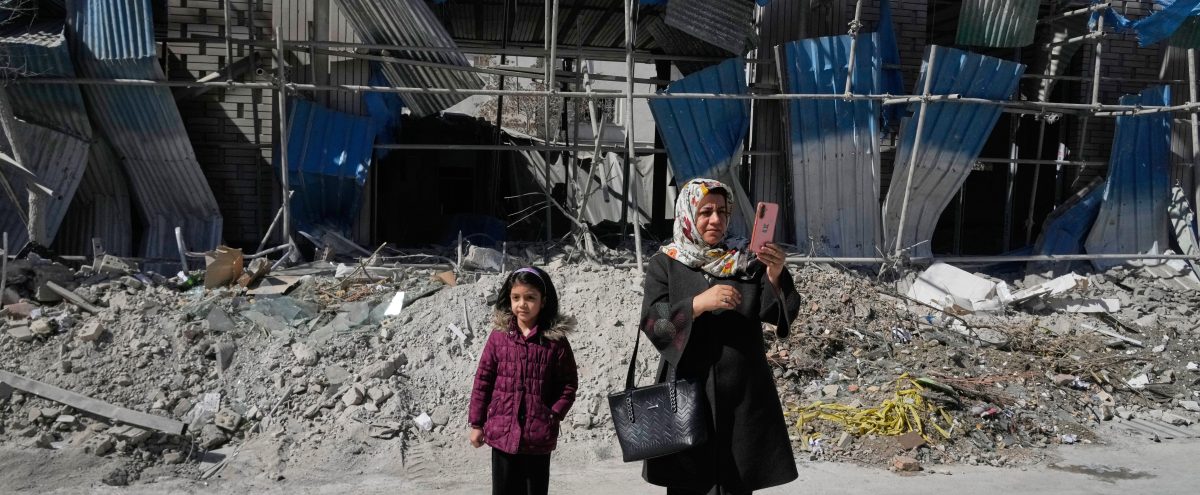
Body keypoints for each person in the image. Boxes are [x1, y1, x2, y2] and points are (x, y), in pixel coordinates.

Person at [639, 178, 801, 495]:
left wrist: (775, 274)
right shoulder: (665, 263)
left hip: (742, 398)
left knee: (736, 483)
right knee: (689, 484)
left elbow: (775, 313)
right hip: (687, 394)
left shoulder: (746, 261)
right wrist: (697, 304)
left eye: (722, 212)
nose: (716, 219)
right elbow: (655, 325)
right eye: (705, 212)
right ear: (688, 214)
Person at [468, 266, 579, 495]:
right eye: (516, 298)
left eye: (530, 298)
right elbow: (483, 381)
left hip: (538, 438)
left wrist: (553, 414)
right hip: (502, 433)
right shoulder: (499, 337)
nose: (522, 304)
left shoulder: (555, 342)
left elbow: (568, 384)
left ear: (543, 301)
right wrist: (477, 424)